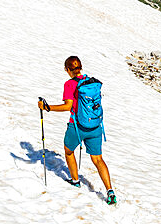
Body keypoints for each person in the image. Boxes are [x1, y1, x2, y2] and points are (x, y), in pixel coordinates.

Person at [39, 56, 116, 205]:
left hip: (77, 126)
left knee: (68, 150)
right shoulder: (91, 82)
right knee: (98, 159)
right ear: (80, 67)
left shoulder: (69, 84)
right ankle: (110, 191)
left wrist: (47, 107)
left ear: (67, 70)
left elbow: (68, 106)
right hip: (95, 126)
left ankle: (75, 180)